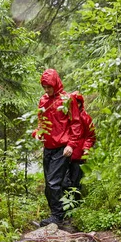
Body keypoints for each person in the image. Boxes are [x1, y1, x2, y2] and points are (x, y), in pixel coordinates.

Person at [32, 69, 82, 226]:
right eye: (44, 87)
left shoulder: (67, 100)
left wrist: (71, 144)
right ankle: (59, 212)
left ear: (56, 84)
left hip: (62, 147)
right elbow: (41, 122)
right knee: (49, 183)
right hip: (48, 147)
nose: (47, 90)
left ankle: (57, 216)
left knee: (53, 182)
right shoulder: (43, 101)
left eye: (49, 87)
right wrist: (38, 132)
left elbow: (76, 123)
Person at [63, 92, 96, 197]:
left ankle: (75, 205)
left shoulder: (86, 118)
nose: (76, 106)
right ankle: (64, 203)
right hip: (65, 153)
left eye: (78, 103)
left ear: (81, 104)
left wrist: (86, 148)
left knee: (76, 181)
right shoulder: (65, 116)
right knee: (64, 181)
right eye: (74, 103)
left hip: (79, 154)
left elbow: (90, 136)